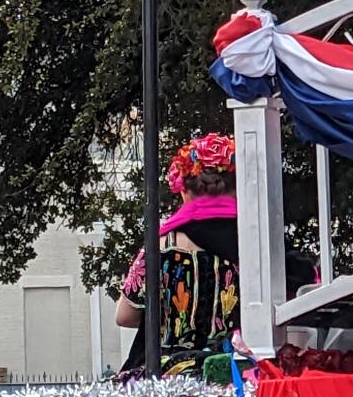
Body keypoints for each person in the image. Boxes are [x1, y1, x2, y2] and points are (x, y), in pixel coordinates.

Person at [118, 132, 313, 376]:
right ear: (237, 186)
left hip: (165, 379)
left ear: (184, 191)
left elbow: (124, 316)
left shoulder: (159, 246)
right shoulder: (261, 244)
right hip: (238, 374)